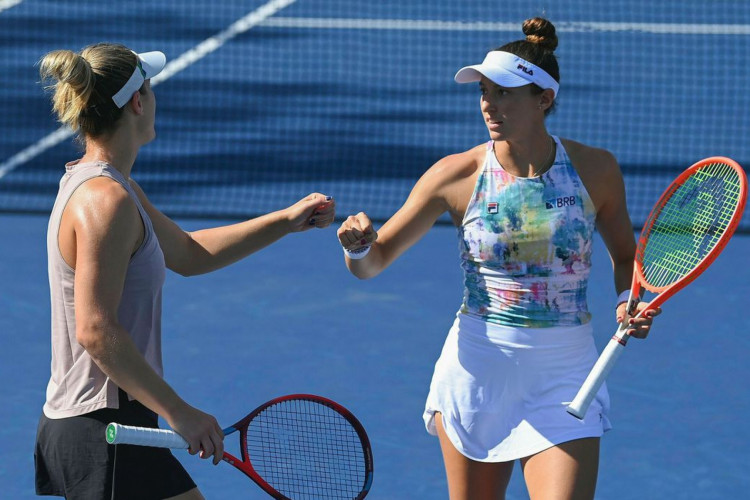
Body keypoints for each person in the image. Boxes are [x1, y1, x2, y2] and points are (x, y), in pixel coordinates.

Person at [337, 17, 660, 500]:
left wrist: (627, 299)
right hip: (477, 374)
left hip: (564, 375)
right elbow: (373, 264)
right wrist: (358, 247)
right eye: (484, 91)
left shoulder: (596, 169)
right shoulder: (456, 175)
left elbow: (626, 257)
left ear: (544, 99)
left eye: (504, 92)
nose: (489, 103)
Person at [33, 42, 335, 500]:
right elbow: (95, 329)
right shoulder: (104, 201)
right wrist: (179, 411)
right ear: (137, 102)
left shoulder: (113, 187)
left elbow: (190, 253)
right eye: (150, 88)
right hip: (104, 427)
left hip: (106, 423)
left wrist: (285, 221)